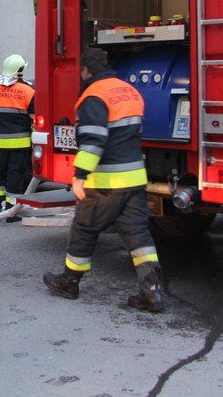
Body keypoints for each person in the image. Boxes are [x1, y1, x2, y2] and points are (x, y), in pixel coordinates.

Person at [42, 47, 163, 313]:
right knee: (138, 236)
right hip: (134, 180)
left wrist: (79, 176)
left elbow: (93, 142)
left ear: (85, 70)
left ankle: (69, 282)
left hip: (106, 183)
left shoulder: (93, 96)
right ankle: (151, 292)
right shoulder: (129, 91)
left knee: (84, 230)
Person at [0, 54, 34, 215]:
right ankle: (11, 210)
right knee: (15, 176)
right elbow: (35, 119)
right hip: (20, 144)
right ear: (20, 70)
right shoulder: (28, 91)